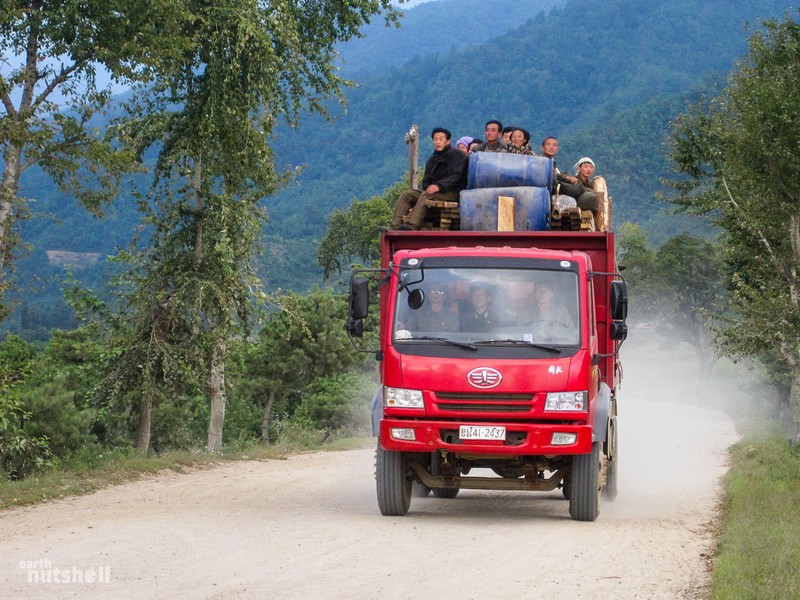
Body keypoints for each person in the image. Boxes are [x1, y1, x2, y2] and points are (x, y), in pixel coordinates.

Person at [390, 127, 468, 230]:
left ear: (448, 141)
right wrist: (428, 187)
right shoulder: (432, 159)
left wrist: (438, 186)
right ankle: (395, 225)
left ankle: (413, 225)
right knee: (407, 194)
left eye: (441, 139)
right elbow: (426, 179)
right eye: (435, 139)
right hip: (435, 193)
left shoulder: (457, 155)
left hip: (453, 193)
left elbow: (455, 176)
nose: (438, 142)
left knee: (426, 195)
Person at [540, 136, 598, 213]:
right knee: (579, 187)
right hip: (553, 186)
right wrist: (568, 179)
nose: (551, 147)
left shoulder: (552, 162)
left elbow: (557, 174)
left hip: (556, 184)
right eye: (548, 144)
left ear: (557, 149)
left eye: (554, 145)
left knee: (586, 193)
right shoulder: (540, 161)